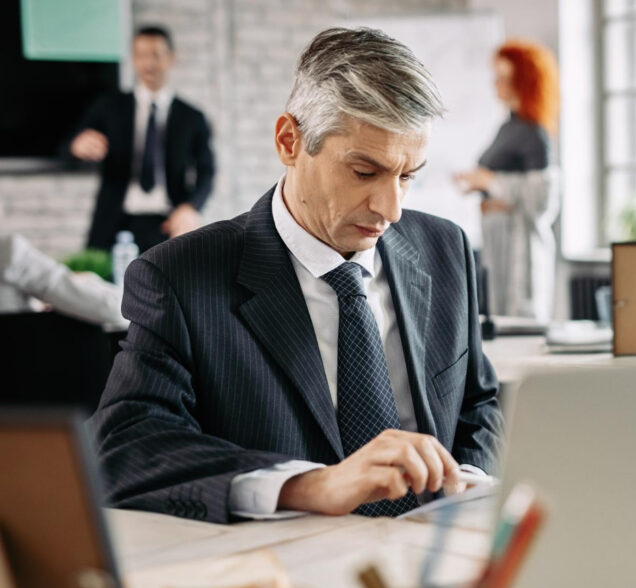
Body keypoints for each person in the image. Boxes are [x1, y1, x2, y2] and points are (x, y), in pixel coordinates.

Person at [90, 28, 503, 524]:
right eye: (364, 172)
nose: (391, 209)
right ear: (290, 141)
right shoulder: (179, 277)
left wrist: (466, 485)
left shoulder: (445, 249)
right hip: (292, 573)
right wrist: (312, 485)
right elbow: (123, 448)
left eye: (408, 175)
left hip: (438, 560)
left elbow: (478, 405)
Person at [69, 25, 214, 253]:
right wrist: (77, 145)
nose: (149, 63)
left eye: (156, 55)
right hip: (114, 220)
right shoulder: (109, 107)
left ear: (171, 58)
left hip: (168, 222)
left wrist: (191, 207)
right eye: (141, 55)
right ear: (134, 59)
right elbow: (68, 149)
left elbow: (207, 170)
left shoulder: (192, 117)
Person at [454, 40, 559, 323]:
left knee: (520, 319)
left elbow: (543, 199)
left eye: (503, 78)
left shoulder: (534, 133)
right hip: (495, 240)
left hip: (519, 246)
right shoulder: (506, 127)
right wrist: (478, 181)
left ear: (521, 80)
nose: (495, 84)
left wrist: (490, 180)